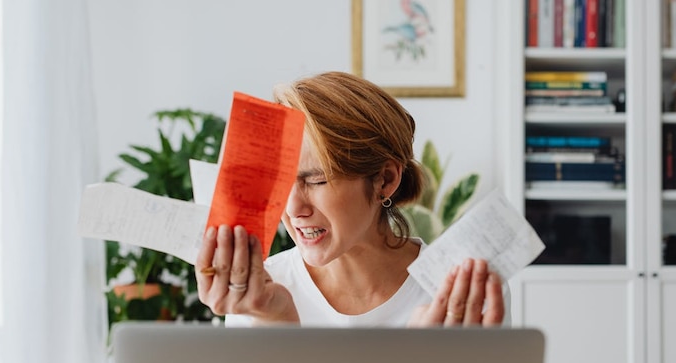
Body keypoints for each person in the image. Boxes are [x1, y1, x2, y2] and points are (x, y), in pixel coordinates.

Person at [196, 71, 509, 327]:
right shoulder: (258, 291)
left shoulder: (460, 292)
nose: (292, 209)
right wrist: (276, 321)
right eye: (281, 183)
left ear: (385, 180)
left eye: (316, 180)